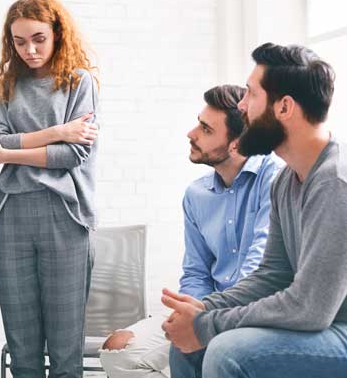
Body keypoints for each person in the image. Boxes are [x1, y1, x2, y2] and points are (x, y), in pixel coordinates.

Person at [163, 43, 347, 378]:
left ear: (284, 107)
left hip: (339, 328)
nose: (242, 107)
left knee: (227, 352)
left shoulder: (335, 182)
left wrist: (206, 324)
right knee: (187, 349)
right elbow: (272, 275)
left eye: (250, 95)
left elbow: (310, 308)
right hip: (323, 323)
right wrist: (204, 307)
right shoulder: (286, 181)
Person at [98, 85, 282, 378]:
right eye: (199, 122)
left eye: (206, 129)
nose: (191, 133)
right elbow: (196, 271)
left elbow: (260, 267)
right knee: (118, 350)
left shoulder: (275, 179)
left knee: (206, 348)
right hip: (206, 305)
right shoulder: (197, 194)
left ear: (237, 143)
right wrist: (191, 313)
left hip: (254, 311)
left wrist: (204, 319)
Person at [0, 0, 99, 378]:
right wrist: (58, 131)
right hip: (10, 214)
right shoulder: (10, 85)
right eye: (19, 41)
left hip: (63, 214)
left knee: (65, 354)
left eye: (38, 39)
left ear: (56, 34)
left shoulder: (78, 83)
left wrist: (9, 152)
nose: (29, 50)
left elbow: (72, 156)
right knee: (23, 352)